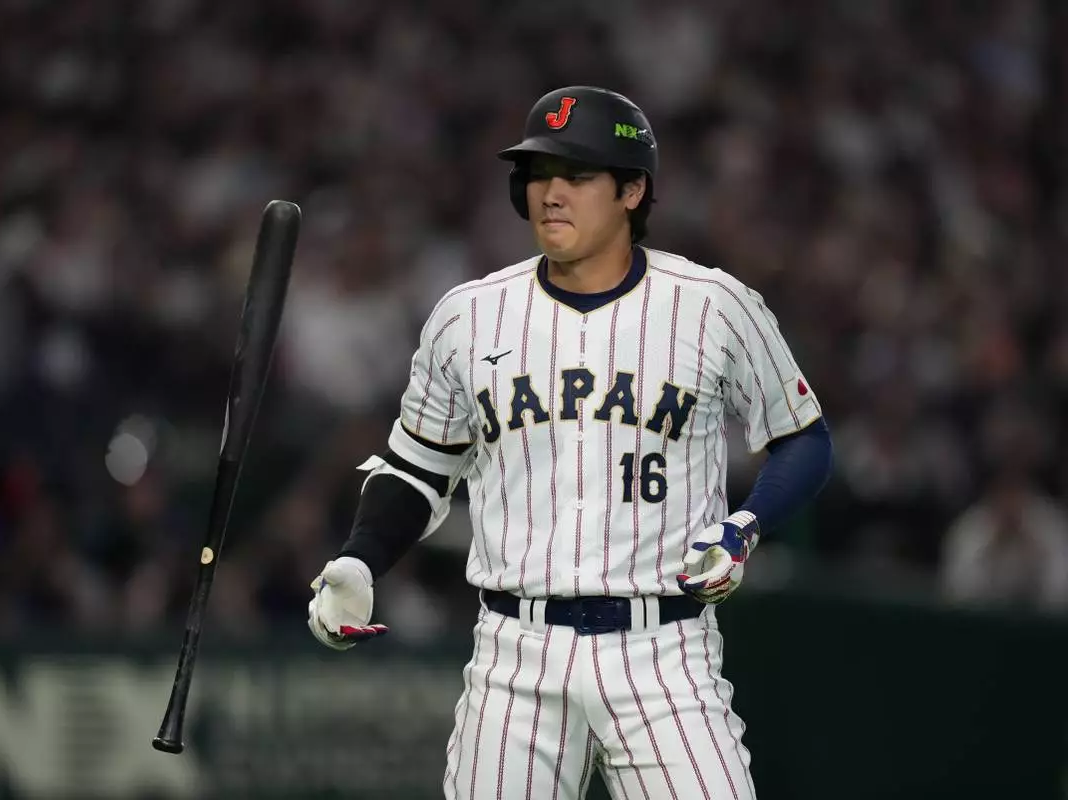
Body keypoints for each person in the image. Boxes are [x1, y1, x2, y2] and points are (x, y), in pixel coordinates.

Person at [307, 86, 833, 799]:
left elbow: (804, 440)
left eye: (577, 175)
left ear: (632, 190)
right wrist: (361, 561)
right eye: (537, 175)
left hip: (663, 650)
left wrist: (745, 525)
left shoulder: (713, 306)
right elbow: (417, 469)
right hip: (515, 653)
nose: (550, 193)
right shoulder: (469, 316)